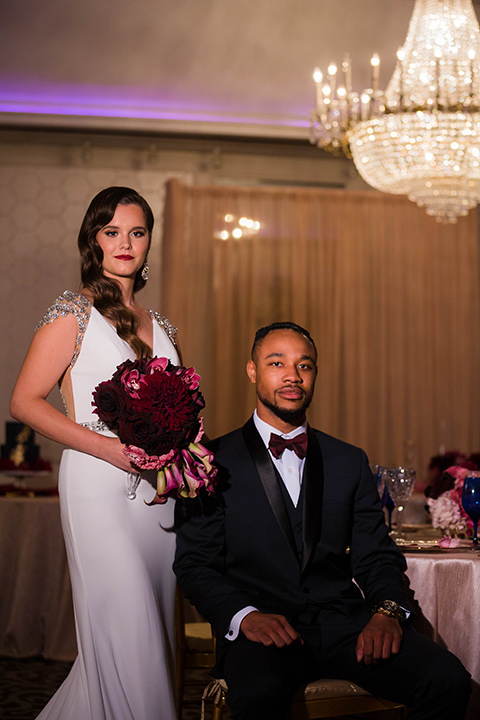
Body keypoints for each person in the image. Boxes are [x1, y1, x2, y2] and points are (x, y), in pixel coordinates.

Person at [174, 321, 471, 720]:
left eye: (305, 365)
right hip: (263, 632)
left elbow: (376, 557)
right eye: (277, 363)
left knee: (447, 678)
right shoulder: (209, 462)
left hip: (345, 627)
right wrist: (246, 617)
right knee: (258, 696)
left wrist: (386, 612)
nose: (292, 376)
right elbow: (195, 565)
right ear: (252, 371)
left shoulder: (348, 460)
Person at [11, 187, 179, 720]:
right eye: (112, 232)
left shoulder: (163, 326)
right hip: (97, 484)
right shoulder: (73, 311)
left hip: (160, 496)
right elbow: (23, 401)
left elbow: (179, 413)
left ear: (149, 241)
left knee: (155, 633)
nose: (125, 243)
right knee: (125, 629)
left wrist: (188, 462)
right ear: (94, 240)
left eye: (137, 232)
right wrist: (108, 448)